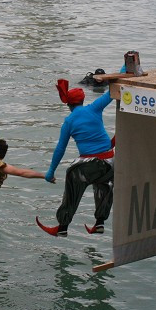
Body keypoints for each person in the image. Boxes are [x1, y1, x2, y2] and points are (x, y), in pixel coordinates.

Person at [37, 79, 115, 237]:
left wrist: (50, 172)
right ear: (83, 100)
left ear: (68, 105)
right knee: (103, 183)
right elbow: (111, 93)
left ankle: (63, 226)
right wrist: (123, 69)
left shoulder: (69, 121)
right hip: (110, 163)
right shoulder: (94, 108)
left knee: (73, 176)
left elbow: (60, 149)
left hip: (92, 163)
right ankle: (100, 222)